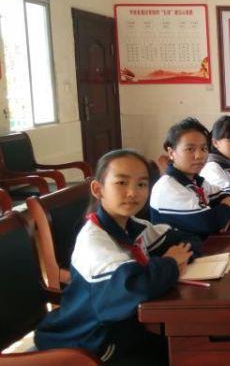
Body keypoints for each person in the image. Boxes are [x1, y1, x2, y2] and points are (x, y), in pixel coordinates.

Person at [35, 149, 200, 364]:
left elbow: (188, 239)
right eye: (121, 183)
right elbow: (133, 286)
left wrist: (174, 258)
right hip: (93, 344)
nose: (132, 192)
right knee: (190, 354)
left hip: (126, 330)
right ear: (98, 189)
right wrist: (170, 263)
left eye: (141, 184)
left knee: (196, 344)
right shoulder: (93, 243)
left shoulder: (132, 226)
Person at [150, 117, 230, 239]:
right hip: (181, 250)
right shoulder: (169, 187)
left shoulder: (196, 180)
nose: (199, 156)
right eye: (190, 149)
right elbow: (208, 223)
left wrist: (225, 211)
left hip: (206, 245)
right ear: (171, 153)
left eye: (204, 149)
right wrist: (226, 207)